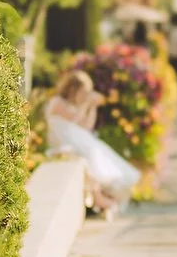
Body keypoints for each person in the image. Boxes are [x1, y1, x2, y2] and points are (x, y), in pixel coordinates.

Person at [45, 69, 140, 217]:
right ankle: (100, 200)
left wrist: (93, 106)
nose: (84, 96)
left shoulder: (76, 105)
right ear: (72, 89)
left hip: (75, 142)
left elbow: (87, 126)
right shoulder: (57, 102)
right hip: (62, 143)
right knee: (90, 154)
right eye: (82, 92)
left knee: (96, 151)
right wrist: (87, 103)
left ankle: (102, 199)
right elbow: (73, 119)